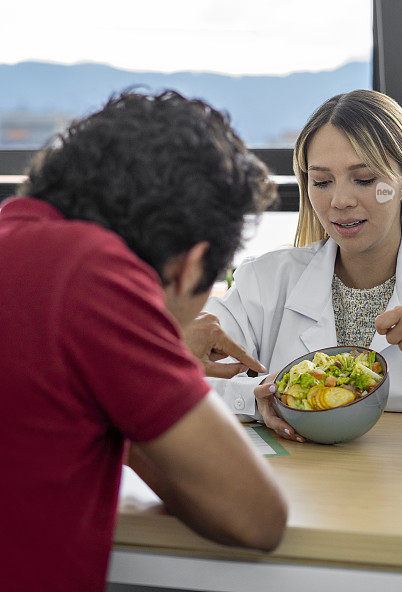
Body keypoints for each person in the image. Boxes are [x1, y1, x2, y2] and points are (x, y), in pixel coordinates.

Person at [0, 90, 287, 592]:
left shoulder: (18, 239)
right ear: (190, 265)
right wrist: (158, 357)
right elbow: (258, 516)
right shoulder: (88, 273)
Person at [202, 90, 402, 440]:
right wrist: (253, 400)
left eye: (364, 179)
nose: (340, 201)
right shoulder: (265, 279)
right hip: (302, 486)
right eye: (322, 182)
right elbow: (184, 377)